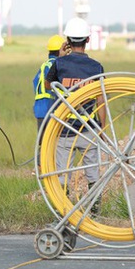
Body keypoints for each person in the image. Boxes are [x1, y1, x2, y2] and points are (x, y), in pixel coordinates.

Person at [45, 17, 106, 214]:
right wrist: (102, 128)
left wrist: (60, 56)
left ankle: (64, 211)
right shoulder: (96, 67)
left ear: (68, 40)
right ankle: (94, 213)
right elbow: (101, 100)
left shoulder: (60, 64)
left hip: (65, 128)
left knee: (63, 173)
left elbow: (49, 86)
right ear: (88, 40)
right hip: (89, 128)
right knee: (92, 172)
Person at [33, 34, 69, 130]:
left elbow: (35, 82)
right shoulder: (58, 65)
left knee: (44, 143)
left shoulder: (44, 65)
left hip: (40, 109)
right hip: (51, 108)